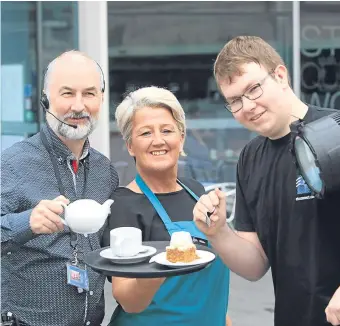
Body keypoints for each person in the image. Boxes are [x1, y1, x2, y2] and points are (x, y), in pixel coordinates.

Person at [193, 36, 340, 326]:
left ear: (280, 75)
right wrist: (218, 233)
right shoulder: (250, 158)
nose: (248, 106)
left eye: (253, 89)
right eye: (235, 101)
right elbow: (255, 265)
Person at [1, 51, 119, 326]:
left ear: (101, 98)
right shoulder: (12, 163)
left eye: (89, 93)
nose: (78, 106)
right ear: (46, 98)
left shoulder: (105, 171)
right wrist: (25, 222)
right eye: (67, 93)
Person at [102, 86, 231, 326]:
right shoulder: (124, 205)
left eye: (167, 130)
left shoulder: (197, 193)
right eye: (145, 133)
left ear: (181, 138)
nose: (158, 140)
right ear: (130, 145)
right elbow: (128, 299)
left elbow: (208, 290)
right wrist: (159, 268)